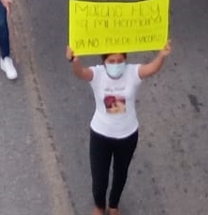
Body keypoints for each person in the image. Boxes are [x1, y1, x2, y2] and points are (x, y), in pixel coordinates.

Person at [67, 41, 172, 215]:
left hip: (127, 135)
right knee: (99, 178)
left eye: (120, 61)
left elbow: (152, 68)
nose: (116, 65)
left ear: (125, 60)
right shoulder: (97, 74)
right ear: (104, 61)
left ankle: (114, 205)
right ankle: (99, 206)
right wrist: (74, 60)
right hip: (101, 135)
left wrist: (162, 55)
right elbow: (81, 72)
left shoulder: (133, 73)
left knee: (121, 174)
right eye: (112, 61)